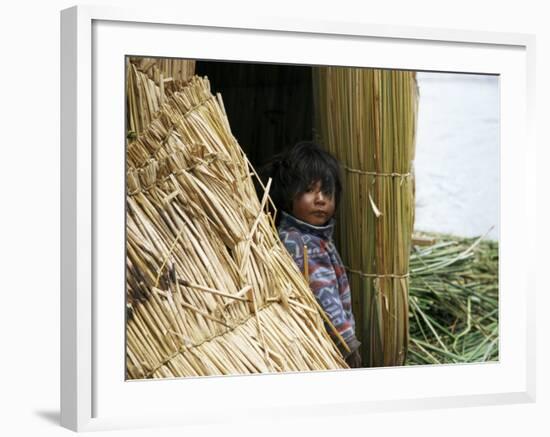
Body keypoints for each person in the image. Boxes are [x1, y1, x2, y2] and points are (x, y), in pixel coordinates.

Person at [267, 141, 362, 368]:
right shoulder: (302, 243)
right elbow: (324, 296)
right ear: (289, 196)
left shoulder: (314, 237)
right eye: (309, 190)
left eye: (327, 192)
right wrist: (347, 345)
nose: (320, 199)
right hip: (327, 346)